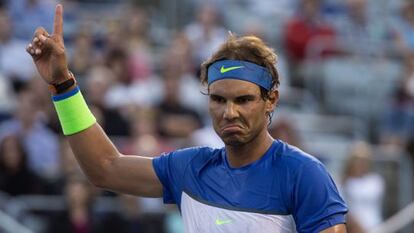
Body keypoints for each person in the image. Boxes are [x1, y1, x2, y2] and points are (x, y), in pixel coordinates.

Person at [27, 4, 348, 232]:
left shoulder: (304, 175)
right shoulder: (191, 168)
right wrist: (62, 84)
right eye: (219, 99)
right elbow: (104, 168)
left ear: (271, 100)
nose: (229, 111)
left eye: (244, 100)